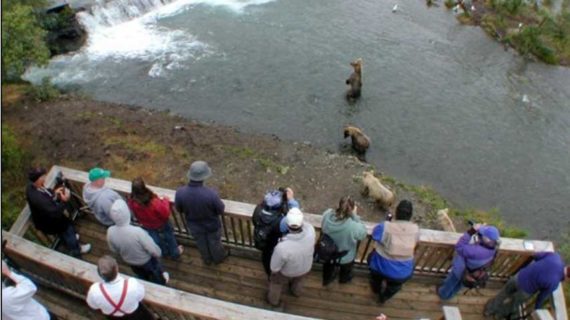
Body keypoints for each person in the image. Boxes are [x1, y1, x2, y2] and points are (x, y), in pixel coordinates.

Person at [25, 167, 91, 257]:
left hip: (47, 221)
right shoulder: (38, 199)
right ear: (39, 179)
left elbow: (45, 194)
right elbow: (55, 213)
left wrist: (54, 193)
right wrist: (65, 200)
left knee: (64, 234)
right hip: (52, 222)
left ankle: (68, 241)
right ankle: (77, 250)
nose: (45, 177)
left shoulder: (32, 186)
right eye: (44, 176)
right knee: (68, 231)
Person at [484, 252, 568, 318]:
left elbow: (537, 255)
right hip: (526, 291)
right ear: (568, 278)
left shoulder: (555, 257)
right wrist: (537, 308)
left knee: (504, 293)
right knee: (513, 304)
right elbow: (541, 297)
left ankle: (489, 309)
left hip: (519, 277)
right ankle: (498, 315)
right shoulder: (554, 283)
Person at [174, 161, 228, 265]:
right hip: (212, 226)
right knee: (215, 243)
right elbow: (221, 210)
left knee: (201, 244)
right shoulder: (211, 194)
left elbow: (179, 209)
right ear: (204, 177)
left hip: (194, 227)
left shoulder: (180, 192)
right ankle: (218, 259)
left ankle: (206, 260)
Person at [368, 200, 419, 304]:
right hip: (402, 273)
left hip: (380, 267)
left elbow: (375, 235)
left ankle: (376, 289)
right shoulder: (416, 229)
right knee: (394, 286)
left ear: (396, 212)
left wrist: (388, 222)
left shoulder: (385, 226)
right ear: (410, 215)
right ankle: (384, 297)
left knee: (373, 270)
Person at [107, 199, 169, 285]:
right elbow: (152, 248)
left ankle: (145, 282)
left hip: (130, 262)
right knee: (155, 273)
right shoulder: (137, 232)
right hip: (147, 261)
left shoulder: (110, 231)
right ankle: (161, 283)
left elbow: (113, 249)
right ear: (126, 213)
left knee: (141, 275)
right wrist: (158, 253)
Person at [437, 223, 500, 300]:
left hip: (460, 271)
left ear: (487, 239)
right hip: (470, 275)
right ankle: (450, 296)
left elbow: (459, 247)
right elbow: (482, 242)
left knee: (451, 282)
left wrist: (471, 231)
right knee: (459, 285)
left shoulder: (476, 251)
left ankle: (443, 294)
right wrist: (481, 230)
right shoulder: (493, 247)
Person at [267, 208, 316, 307]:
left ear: (287, 225)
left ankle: (273, 301)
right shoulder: (311, 232)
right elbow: (306, 225)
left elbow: (274, 268)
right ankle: (296, 292)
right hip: (306, 267)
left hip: (287, 273)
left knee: (276, 283)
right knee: (299, 280)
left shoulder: (282, 247)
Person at [127, 177, 183, 260]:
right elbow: (165, 213)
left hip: (147, 225)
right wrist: (165, 200)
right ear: (144, 187)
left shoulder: (132, 201)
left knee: (157, 240)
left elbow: (135, 212)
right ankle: (175, 253)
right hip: (162, 223)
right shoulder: (152, 202)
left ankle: (164, 253)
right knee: (169, 236)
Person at [86, 255, 155, 319]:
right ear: (117, 269)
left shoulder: (95, 290)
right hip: (136, 314)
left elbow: (93, 305)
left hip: (114, 317)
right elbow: (141, 296)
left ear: (100, 274)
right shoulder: (131, 284)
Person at [252, 187, 300, 276]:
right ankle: (276, 275)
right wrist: (291, 200)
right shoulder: (281, 222)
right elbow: (295, 216)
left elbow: (254, 221)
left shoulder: (257, 210)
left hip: (264, 243)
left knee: (266, 258)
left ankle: (269, 274)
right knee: (278, 261)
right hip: (276, 246)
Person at [321, 196, 367, 285]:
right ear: (352, 210)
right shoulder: (353, 226)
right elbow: (363, 234)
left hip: (328, 253)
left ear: (339, 206)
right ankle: (343, 280)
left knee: (328, 268)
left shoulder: (327, 215)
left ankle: (326, 280)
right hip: (345, 257)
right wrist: (355, 216)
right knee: (345, 271)